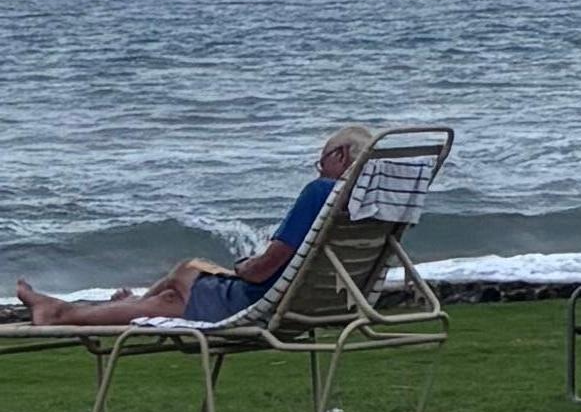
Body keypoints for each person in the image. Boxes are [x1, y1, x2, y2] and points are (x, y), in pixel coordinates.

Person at [10, 130, 364, 328]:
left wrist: (242, 267)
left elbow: (265, 269)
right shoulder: (367, 201)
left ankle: (65, 312)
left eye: (322, 160)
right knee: (180, 286)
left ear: (342, 156)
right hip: (315, 303)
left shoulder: (323, 191)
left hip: (258, 304)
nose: (319, 169)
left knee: (187, 272)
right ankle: (103, 306)